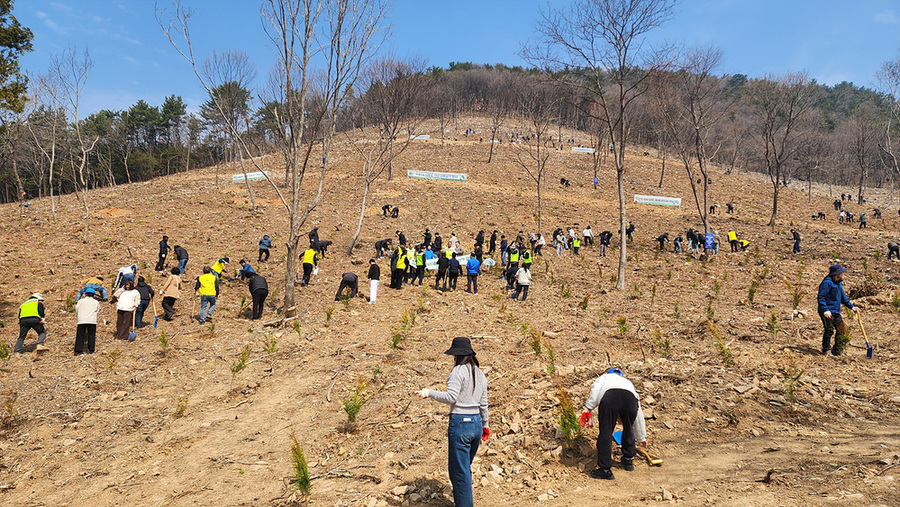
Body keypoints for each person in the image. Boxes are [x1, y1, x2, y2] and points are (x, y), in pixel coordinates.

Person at [414, 337, 489, 507]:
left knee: (459, 474)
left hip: (461, 424)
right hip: (476, 424)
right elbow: (483, 403)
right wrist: (485, 425)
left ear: (457, 355)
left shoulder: (458, 372)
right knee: (463, 470)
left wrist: (429, 392)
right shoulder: (480, 373)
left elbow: (451, 397)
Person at [578, 368, 647, 480]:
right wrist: (641, 437)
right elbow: (638, 414)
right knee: (629, 427)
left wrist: (588, 408)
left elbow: (595, 390)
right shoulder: (627, 383)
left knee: (606, 431)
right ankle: (628, 460)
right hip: (630, 399)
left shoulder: (604, 377)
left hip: (610, 398)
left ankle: (605, 470)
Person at [817, 263, 860, 355]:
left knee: (842, 329)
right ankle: (826, 350)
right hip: (827, 311)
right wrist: (825, 310)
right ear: (837, 274)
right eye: (842, 273)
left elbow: (843, 298)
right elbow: (821, 297)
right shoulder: (827, 283)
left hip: (836, 311)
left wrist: (852, 307)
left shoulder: (838, 283)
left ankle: (837, 350)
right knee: (829, 330)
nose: (843, 274)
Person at [74, 289, 100, 355]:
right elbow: (97, 310)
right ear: (93, 295)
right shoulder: (96, 302)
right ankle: (91, 350)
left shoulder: (81, 301)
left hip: (81, 319)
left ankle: (78, 350)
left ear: (85, 294)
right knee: (91, 335)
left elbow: (77, 309)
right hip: (92, 320)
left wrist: (79, 315)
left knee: (80, 335)